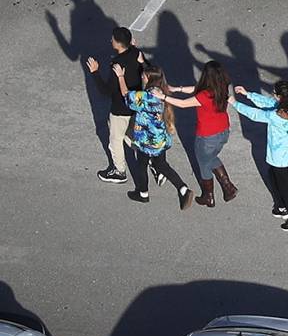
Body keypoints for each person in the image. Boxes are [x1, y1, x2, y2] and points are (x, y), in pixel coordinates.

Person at [112, 63, 193, 210]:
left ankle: (142, 193)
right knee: (161, 164)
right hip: (161, 138)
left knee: (141, 165)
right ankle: (183, 189)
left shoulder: (147, 96)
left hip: (147, 141)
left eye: (143, 75)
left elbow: (126, 95)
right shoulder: (161, 91)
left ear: (148, 77)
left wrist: (120, 76)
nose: (141, 77)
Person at [161, 61, 237, 207]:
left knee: (204, 164)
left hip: (207, 135)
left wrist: (163, 97)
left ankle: (208, 196)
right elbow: (196, 89)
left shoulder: (204, 95)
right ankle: (228, 187)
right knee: (210, 158)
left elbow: (183, 104)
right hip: (223, 131)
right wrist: (177, 89)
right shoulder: (221, 87)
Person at [233, 81, 288, 232]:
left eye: (274, 93)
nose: (272, 95)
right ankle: (281, 206)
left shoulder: (275, 115)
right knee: (272, 175)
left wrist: (233, 102)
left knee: (285, 188)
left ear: (279, 96)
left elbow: (255, 114)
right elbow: (268, 102)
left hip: (280, 157)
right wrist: (247, 94)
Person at [86, 27, 143, 184]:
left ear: (118, 43)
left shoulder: (117, 64)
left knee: (116, 140)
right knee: (130, 134)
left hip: (120, 109)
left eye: (112, 39)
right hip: (136, 104)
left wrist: (95, 72)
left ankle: (119, 171)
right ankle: (149, 156)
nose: (110, 41)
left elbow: (106, 91)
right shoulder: (137, 54)